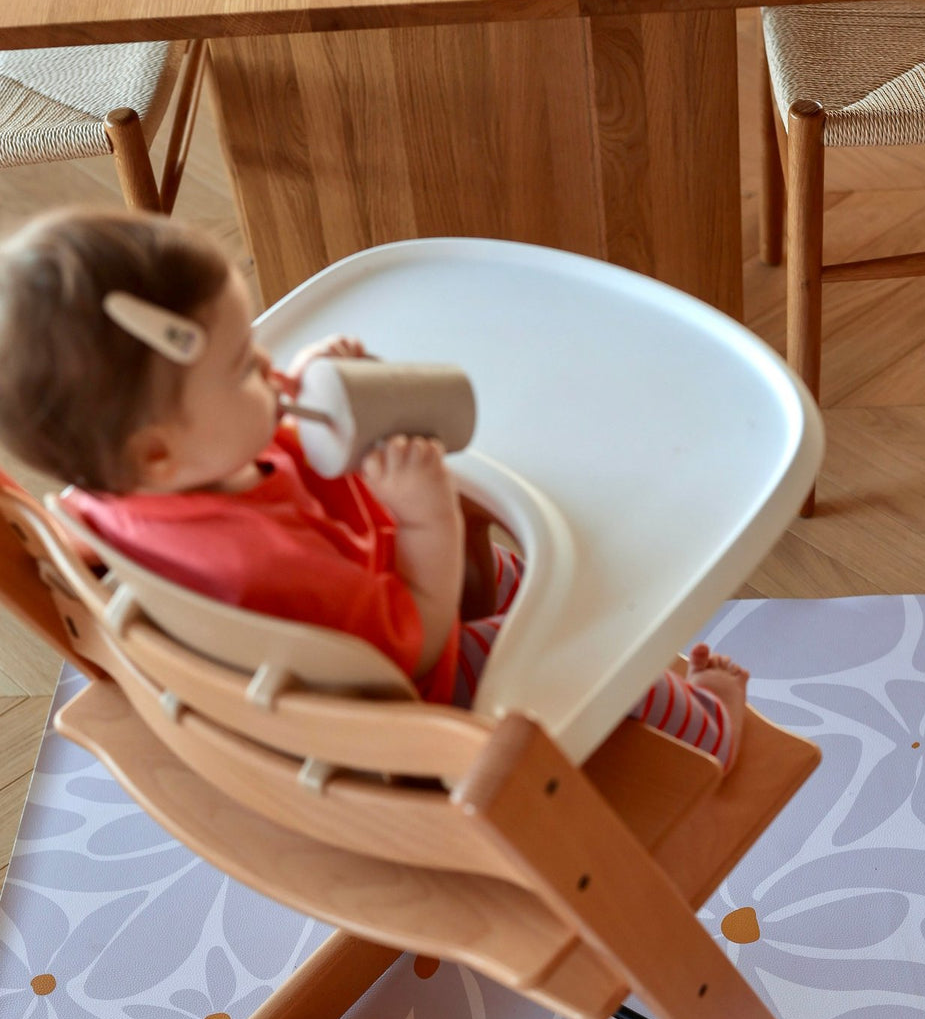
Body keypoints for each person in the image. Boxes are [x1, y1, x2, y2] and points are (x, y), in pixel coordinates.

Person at [0, 207, 748, 764]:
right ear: (156, 451)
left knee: (532, 577)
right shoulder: (267, 568)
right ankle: (711, 727)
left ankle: (543, 613)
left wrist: (302, 381)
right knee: (592, 640)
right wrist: (426, 520)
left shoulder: (109, 491)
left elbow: (251, 458)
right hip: (418, 705)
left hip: (349, 624)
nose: (270, 369)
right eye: (244, 366)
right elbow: (419, 646)